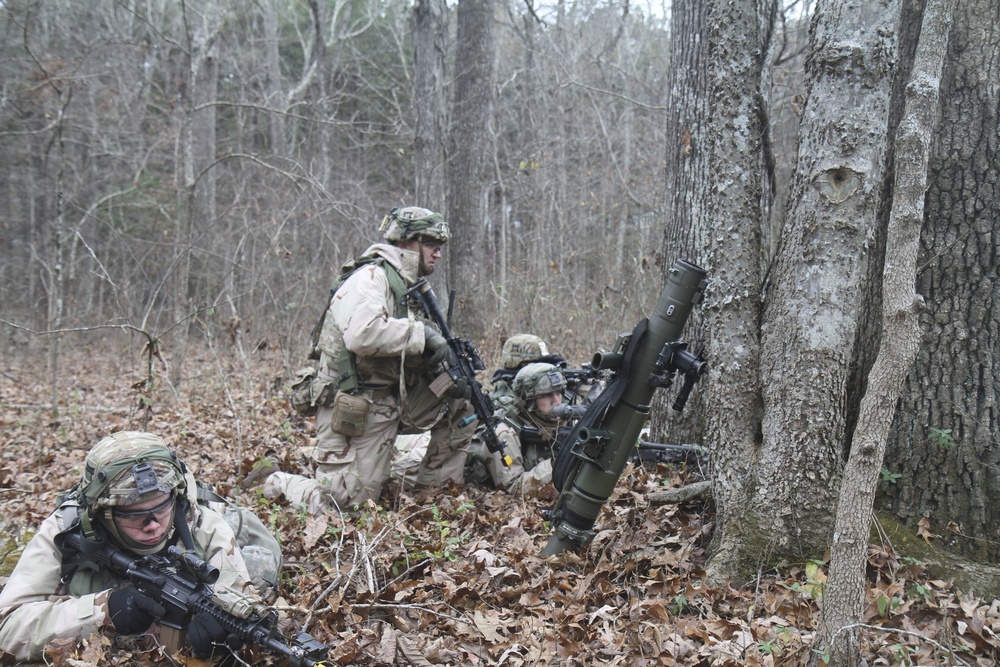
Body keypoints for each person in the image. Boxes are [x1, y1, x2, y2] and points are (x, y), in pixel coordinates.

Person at [261, 206, 476, 512]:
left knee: (462, 401)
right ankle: (283, 482)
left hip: (393, 399)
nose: (437, 254)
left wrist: (447, 374)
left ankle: (432, 491)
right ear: (406, 241)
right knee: (346, 504)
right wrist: (422, 336)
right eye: (431, 245)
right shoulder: (371, 277)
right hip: (356, 403)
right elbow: (362, 334)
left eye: (438, 247)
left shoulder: (409, 287)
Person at [0, 431, 259, 662]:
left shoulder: (202, 525)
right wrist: (102, 612)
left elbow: (239, 602)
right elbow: (8, 626)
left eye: (161, 507)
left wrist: (225, 633)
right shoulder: (65, 530)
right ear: (102, 512)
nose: (153, 525)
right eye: (133, 515)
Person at [466, 362, 570, 495]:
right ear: (529, 400)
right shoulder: (504, 433)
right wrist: (559, 464)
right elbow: (513, 488)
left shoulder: (566, 419)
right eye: (547, 395)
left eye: (558, 393)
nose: (557, 401)